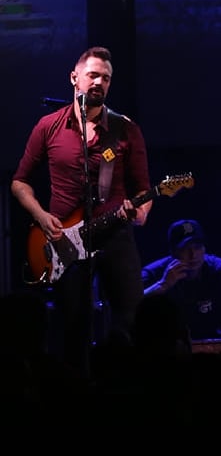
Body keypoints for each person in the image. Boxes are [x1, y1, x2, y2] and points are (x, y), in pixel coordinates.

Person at [11, 46, 153, 374]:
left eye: (106, 78)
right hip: (63, 240)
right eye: (93, 75)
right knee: (73, 328)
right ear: (75, 78)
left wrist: (142, 210)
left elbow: (144, 189)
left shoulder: (125, 129)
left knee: (131, 319)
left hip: (115, 235)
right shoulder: (48, 126)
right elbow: (19, 182)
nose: (99, 82)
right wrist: (41, 216)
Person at [141, 218, 221, 341]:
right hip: (169, 344)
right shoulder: (154, 272)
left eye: (197, 247)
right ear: (173, 251)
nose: (193, 254)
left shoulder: (217, 267)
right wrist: (163, 285)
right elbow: (131, 306)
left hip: (213, 340)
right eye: (185, 248)